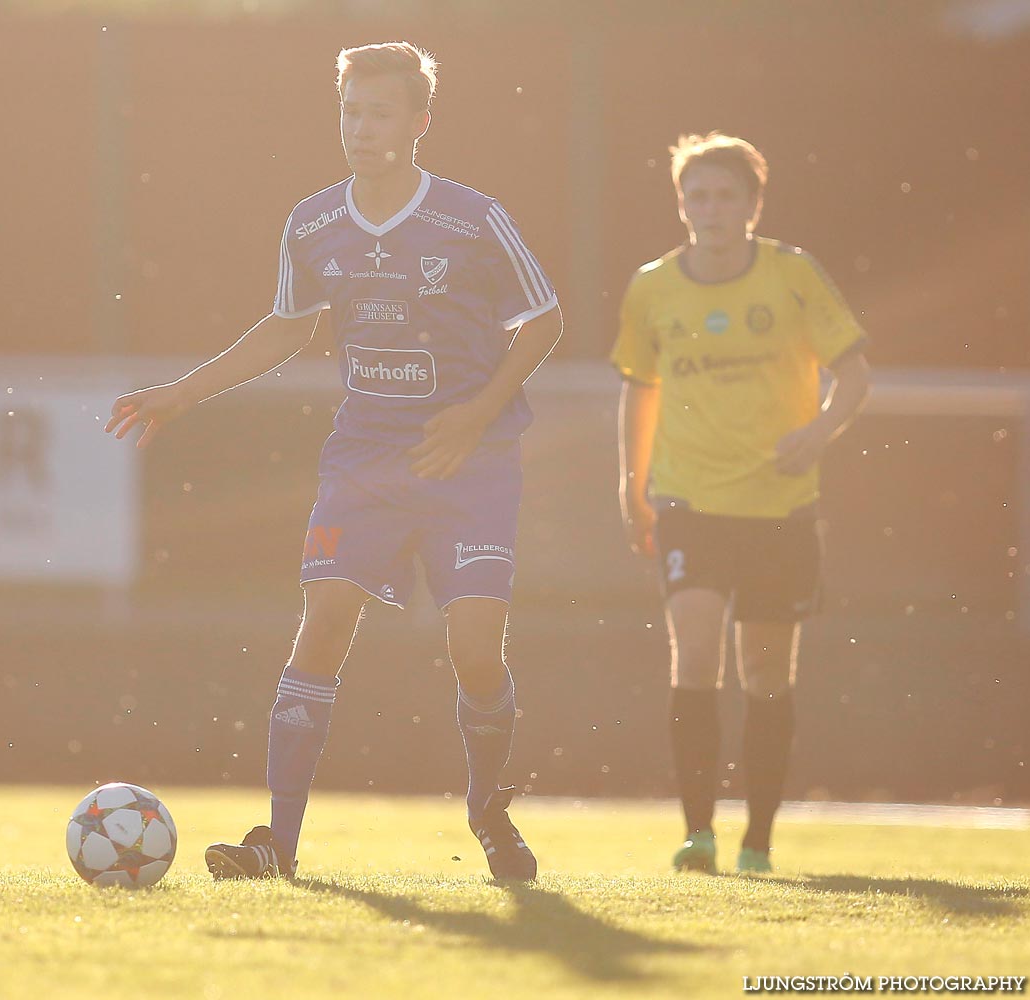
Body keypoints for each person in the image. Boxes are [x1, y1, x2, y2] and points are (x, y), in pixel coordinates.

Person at [107, 41, 561, 881]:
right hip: (364, 458)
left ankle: (489, 813)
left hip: (472, 465)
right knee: (321, 626)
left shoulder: (471, 218)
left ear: (420, 123)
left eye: (378, 112)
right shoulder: (314, 221)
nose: (360, 127)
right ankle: (276, 842)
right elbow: (286, 324)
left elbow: (543, 318)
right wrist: (181, 391)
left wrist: (479, 411)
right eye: (349, 110)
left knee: (475, 652)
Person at [611, 132, 871, 874]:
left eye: (727, 196)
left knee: (765, 675)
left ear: (753, 205)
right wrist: (630, 488)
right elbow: (639, 391)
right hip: (690, 500)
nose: (711, 209)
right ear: (680, 206)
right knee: (693, 652)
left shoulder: (792, 277)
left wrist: (819, 432)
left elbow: (853, 376)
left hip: (780, 508)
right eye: (697, 196)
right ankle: (697, 834)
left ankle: (757, 840)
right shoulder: (652, 287)